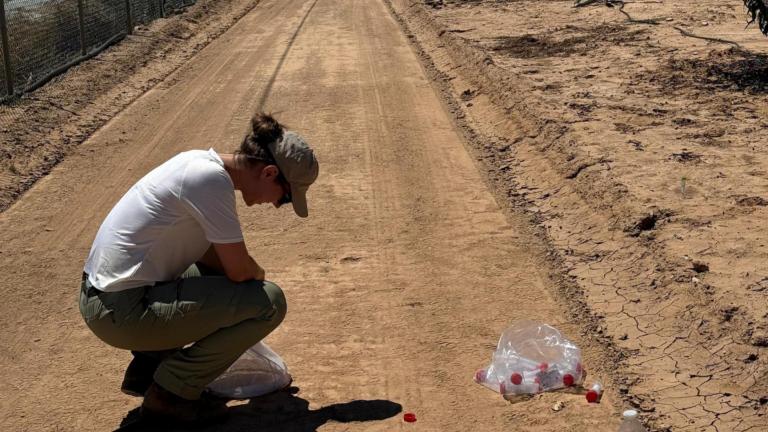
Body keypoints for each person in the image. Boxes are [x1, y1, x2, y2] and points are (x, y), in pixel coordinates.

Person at [78, 112, 319, 425]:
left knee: (223, 282)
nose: (277, 205)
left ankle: (150, 367)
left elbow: (213, 259)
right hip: (120, 311)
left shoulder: (197, 163)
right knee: (269, 303)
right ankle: (169, 395)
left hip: (106, 297)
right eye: (285, 198)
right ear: (270, 173)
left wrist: (245, 277)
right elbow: (240, 271)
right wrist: (255, 278)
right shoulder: (211, 182)